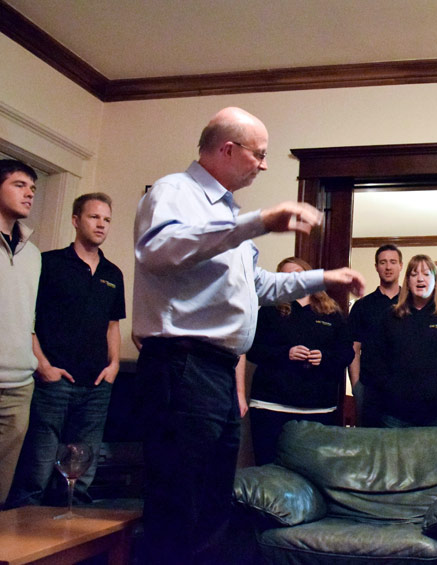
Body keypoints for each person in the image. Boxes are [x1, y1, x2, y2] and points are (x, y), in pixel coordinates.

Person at [132, 106, 365, 564]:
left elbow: (258, 286)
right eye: (259, 154)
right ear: (228, 149)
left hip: (216, 374)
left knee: (215, 505)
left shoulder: (226, 212)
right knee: (180, 505)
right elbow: (160, 250)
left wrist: (323, 277)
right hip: (181, 367)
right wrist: (258, 221)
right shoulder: (174, 192)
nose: (263, 164)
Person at [8, 193, 124, 508]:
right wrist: (42, 365)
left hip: (97, 387)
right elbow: (27, 319)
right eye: (94, 217)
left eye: (107, 219)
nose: (101, 225)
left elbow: (113, 325)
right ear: (75, 220)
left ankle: (72, 541)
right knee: (37, 469)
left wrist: (114, 365)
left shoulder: (113, 274)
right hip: (53, 384)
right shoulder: (49, 263)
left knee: (81, 473)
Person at [246, 257, 353, 465]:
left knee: (315, 472)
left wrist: (325, 357)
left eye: (297, 272)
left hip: (319, 409)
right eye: (285, 275)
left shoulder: (332, 313)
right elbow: (252, 350)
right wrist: (285, 353)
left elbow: (347, 353)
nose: (292, 278)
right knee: (269, 471)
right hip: (271, 406)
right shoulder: (269, 310)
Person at [365, 254, 437, 427]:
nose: (420, 279)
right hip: (398, 414)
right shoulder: (390, 316)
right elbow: (374, 359)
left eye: (426, 273)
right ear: (408, 281)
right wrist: (395, 388)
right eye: (414, 274)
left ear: (435, 280)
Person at [0, 159, 40, 508]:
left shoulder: (34, 255)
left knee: (2, 485)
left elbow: (29, 319)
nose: (29, 194)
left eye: (33, 189)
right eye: (19, 185)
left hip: (19, 386)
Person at [347, 244, 402, 427]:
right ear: (376, 266)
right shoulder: (363, 306)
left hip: (407, 390)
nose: (388, 267)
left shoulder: (412, 304)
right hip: (371, 390)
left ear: (400, 265)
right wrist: (357, 387)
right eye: (383, 262)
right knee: (370, 447)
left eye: (393, 262)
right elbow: (353, 349)